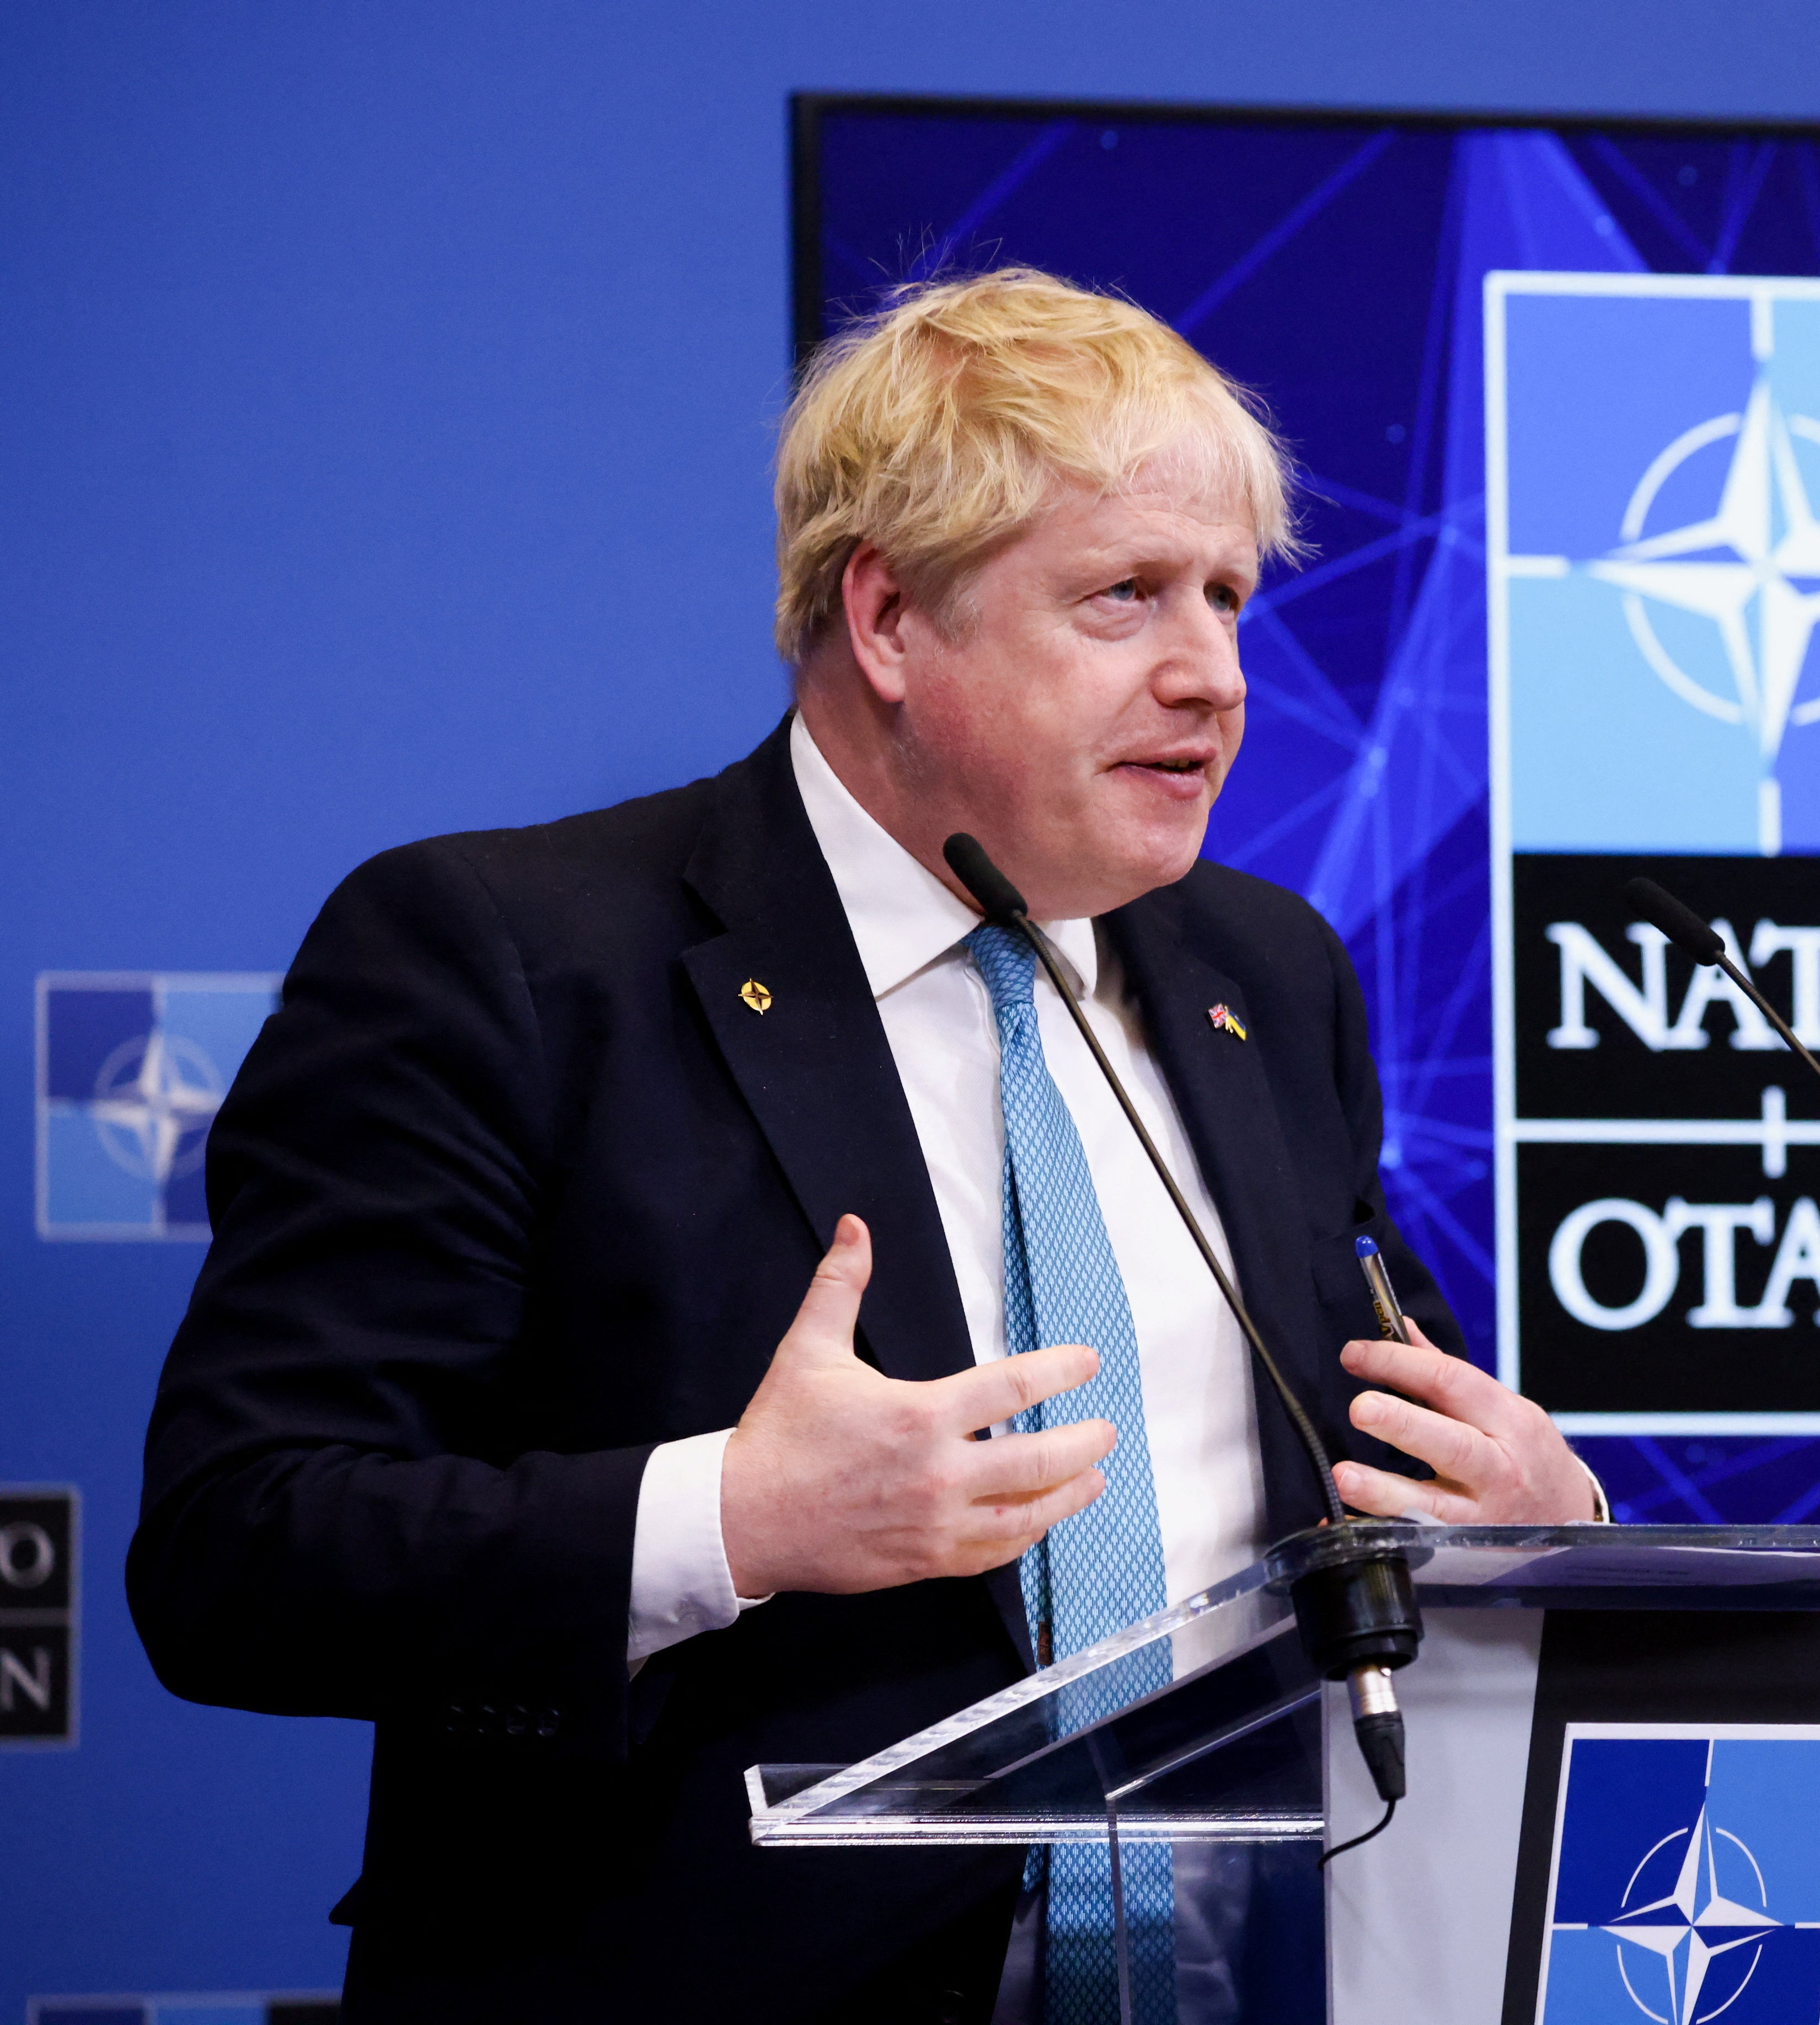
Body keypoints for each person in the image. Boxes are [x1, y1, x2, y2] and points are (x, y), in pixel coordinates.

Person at [128, 269, 1600, 2025]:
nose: (1213, 675)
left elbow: (1378, 1448)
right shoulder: (509, 958)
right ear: (889, 618)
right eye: (1123, 597)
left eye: (1224, 597)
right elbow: (242, 1557)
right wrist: (729, 1520)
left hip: (1264, 1981)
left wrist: (1533, 1530)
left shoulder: (1262, 973)